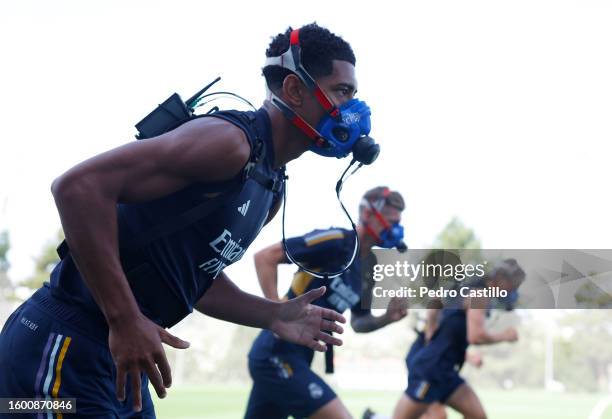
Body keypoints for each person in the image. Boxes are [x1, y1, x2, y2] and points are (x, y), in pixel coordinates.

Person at [0, 23, 372, 418]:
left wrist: (273, 314)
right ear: (296, 90)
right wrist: (125, 319)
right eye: (342, 91)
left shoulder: (270, 186)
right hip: (60, 348)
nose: (352, 109)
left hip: (123, 359)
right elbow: (77, 188)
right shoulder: (229, 143)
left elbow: (194, 281)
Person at [245, 186, 408, 419]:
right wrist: (276, 315)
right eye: (391, 221)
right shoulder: (337, 241)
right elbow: (265, 257)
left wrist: (386, 318)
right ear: (368, 214)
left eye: (398, 222)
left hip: (301, 356)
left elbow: (359, 322)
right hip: (276, 352)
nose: (396, 228)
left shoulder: (370, 267)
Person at [392, 259, 524, 419]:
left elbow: (437, 311)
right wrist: (505, 336)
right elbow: (475, 336)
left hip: (447, 371)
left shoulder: (469, 291)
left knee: (477, 415)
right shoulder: (479, 294)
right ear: (501, 280)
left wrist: (432, 333)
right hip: (431, 371)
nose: (513, 292)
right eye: (514, 286)